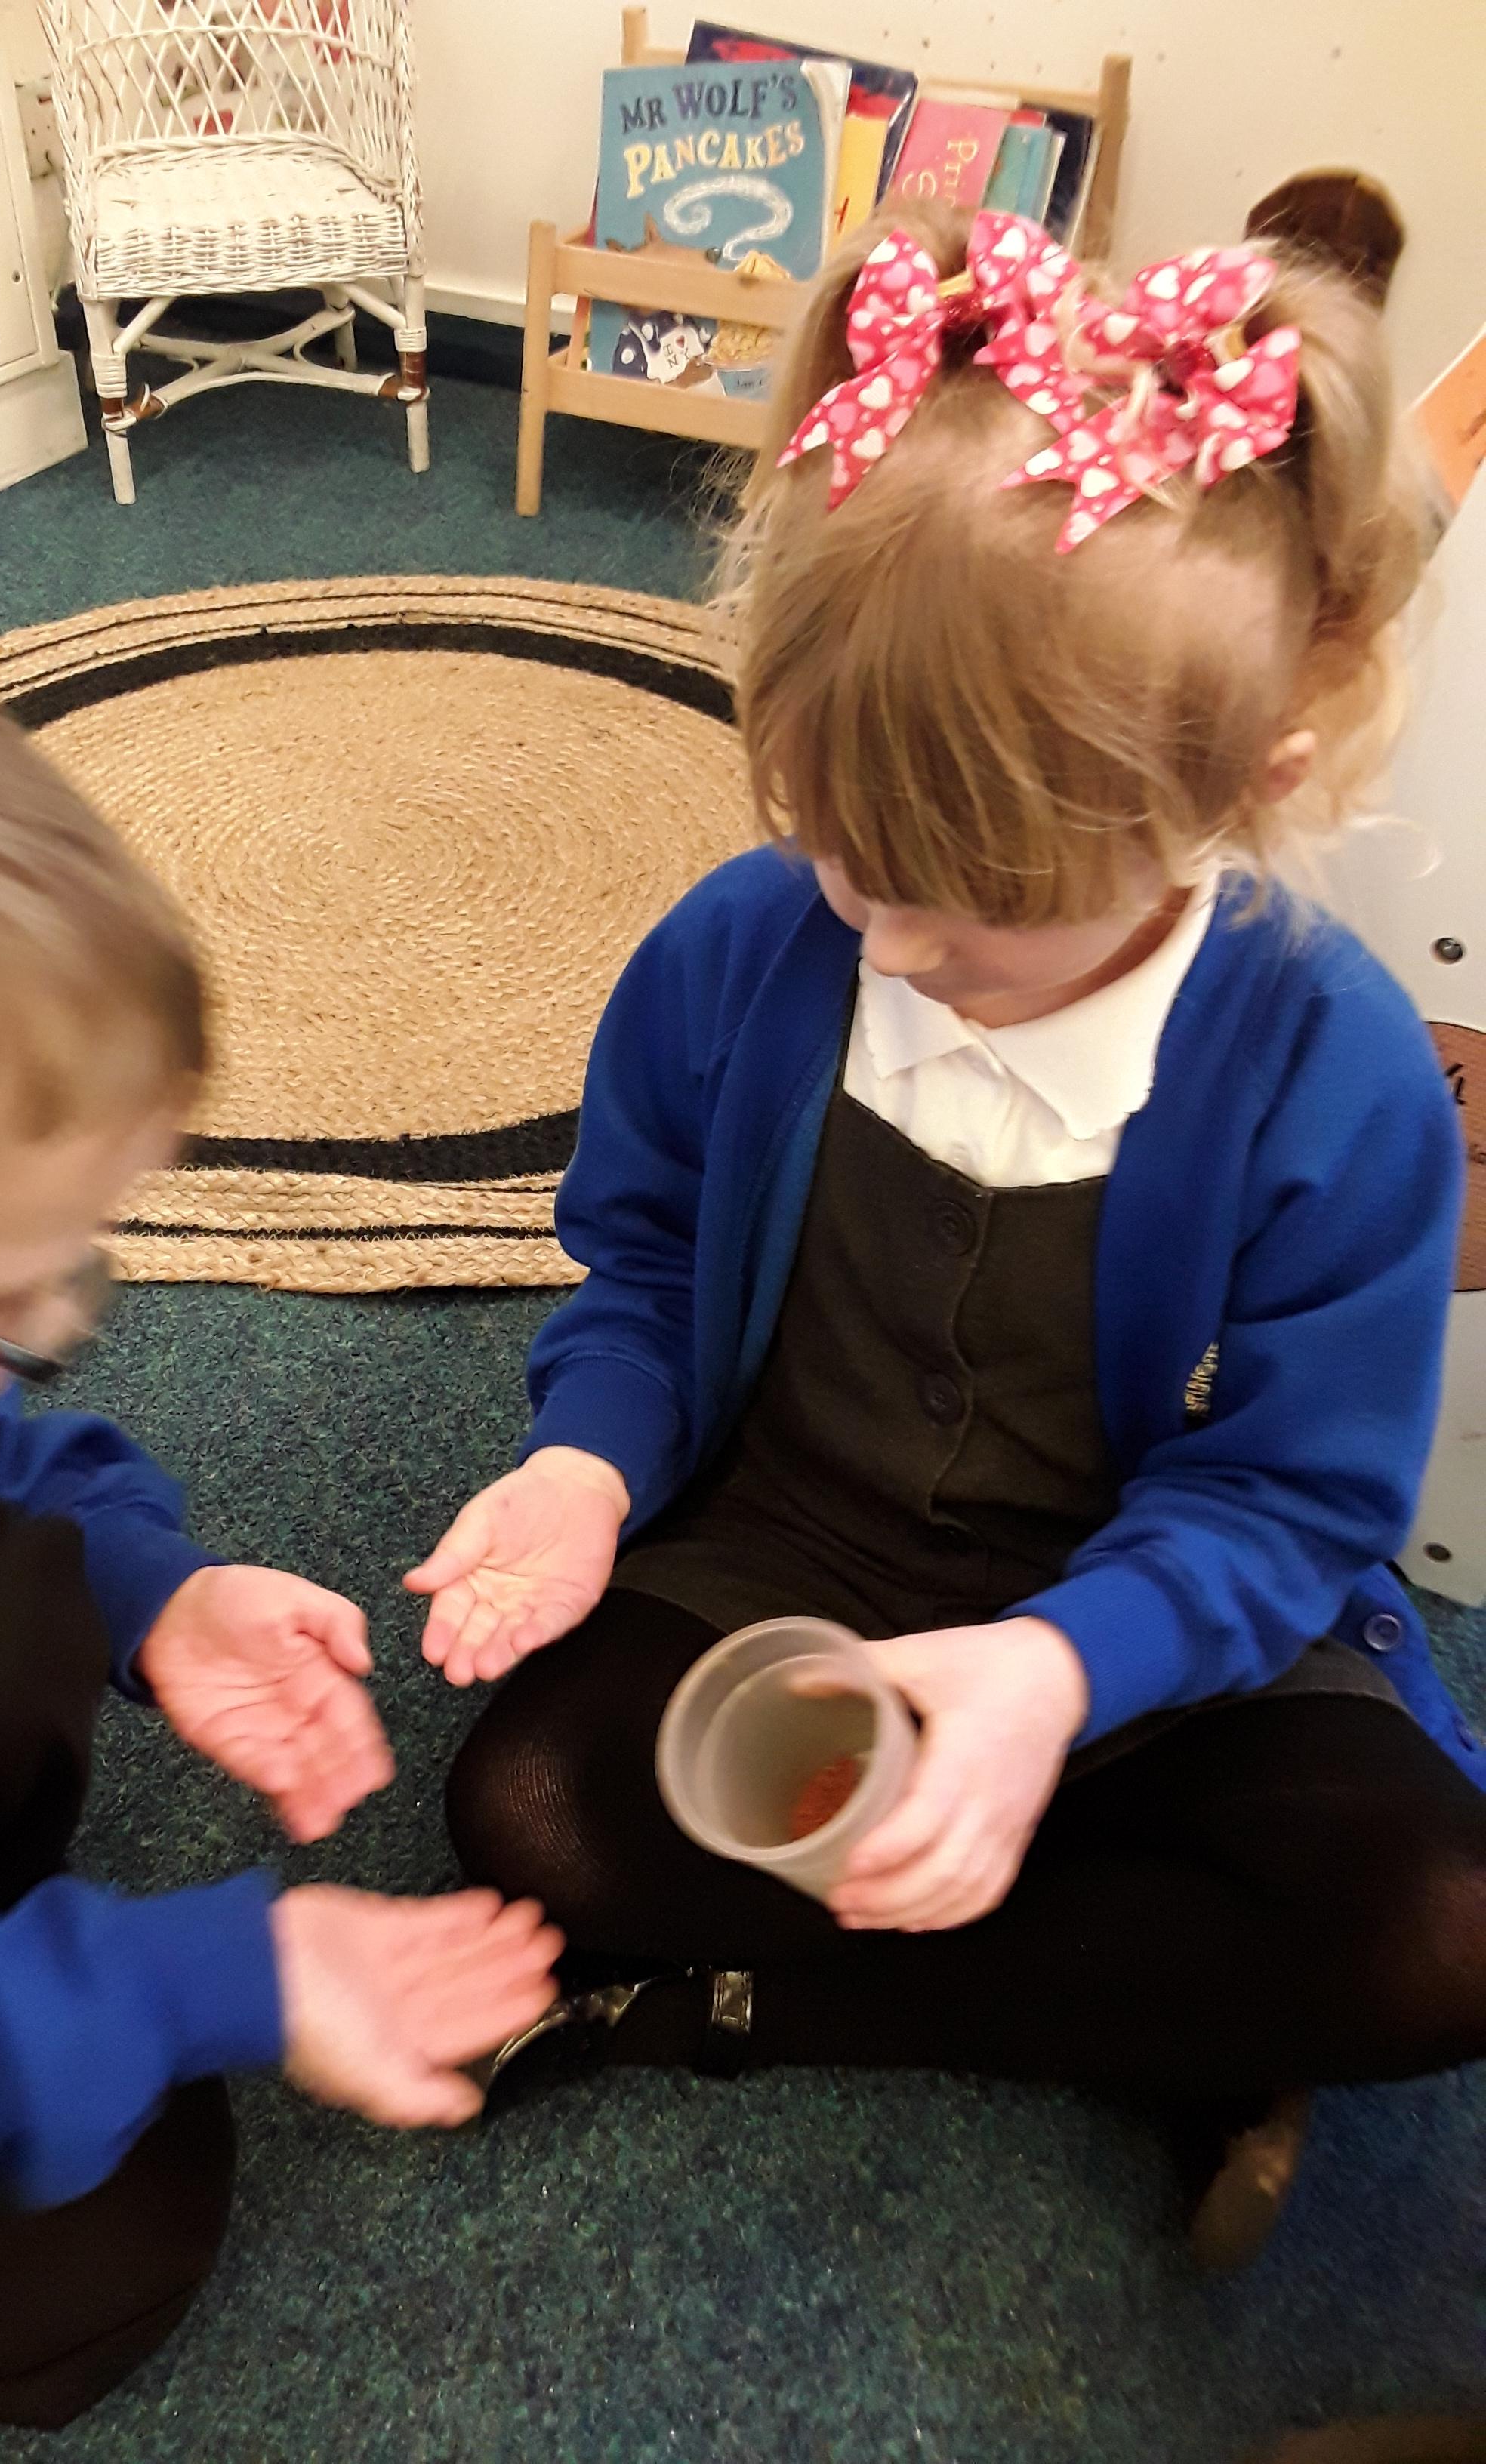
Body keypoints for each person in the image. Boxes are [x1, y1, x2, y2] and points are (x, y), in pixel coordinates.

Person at [412, 204, 1486, 2263]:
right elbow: (644, 1265)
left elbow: (1288, 1498)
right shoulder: (743, 949)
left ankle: (738, 1999)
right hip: (795, 1550)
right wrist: (586, 1463)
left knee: (1446, 1929)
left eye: (978, 907)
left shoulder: (1336, 1072)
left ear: (1235, 791)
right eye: (842, 853)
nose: (890, 946)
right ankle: (1154, 1998)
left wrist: (1060, 1673)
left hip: (1165, 1618)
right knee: (529, 1806)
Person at [0, 582, 561, 2456]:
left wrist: (156, 1594)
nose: (59, 1330)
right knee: (130, 2209)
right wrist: (231, 1974)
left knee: (11, 1574)